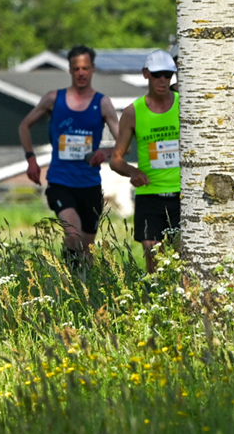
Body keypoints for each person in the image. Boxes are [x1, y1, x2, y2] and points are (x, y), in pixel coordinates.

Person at [18, 45, 120, 263]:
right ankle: (69, 274)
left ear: (92, 69)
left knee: (87, 250)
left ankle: (79, 288)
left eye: (85, 68)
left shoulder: (102, 103)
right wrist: (31, 160)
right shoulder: (54, 99)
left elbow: (125, 143)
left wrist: (106, 151)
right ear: (70, 70)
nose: (81, 73)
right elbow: (24, 126)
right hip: (60, 181)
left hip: (90, 184)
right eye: (76, 68)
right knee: (73, 234)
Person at [109, 50, 181, 273]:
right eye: (157, 74)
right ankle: (156, 298)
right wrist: (133, 173)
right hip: (149, 194)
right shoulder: (133, 112)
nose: (162, 80)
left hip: (182, 194)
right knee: (152, 253)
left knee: (182, 255)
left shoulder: (186, 104)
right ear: (145, 74)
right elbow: (116, 160)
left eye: (168, 75)